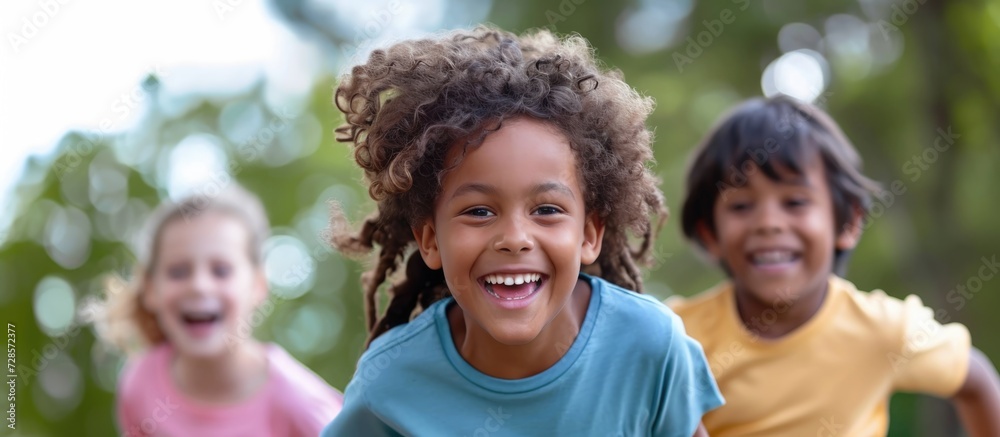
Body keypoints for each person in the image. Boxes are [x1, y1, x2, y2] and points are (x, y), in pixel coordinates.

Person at [321, 26, 723, 436]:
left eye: (547, 209)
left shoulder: (650, 346)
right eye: (478, 211)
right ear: (430, 240)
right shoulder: (389, 383)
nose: (515, 238)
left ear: (589, 234)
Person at [668, 95, 1000, 436]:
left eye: (795, 202)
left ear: (847, 223)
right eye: (741, 206)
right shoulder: (674, 338)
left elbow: (978, 383)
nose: (768, 222)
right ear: (710, 233)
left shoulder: (884, 330)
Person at [93, 185, 343, 436]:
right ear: (150, 289)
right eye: (178, 271)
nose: (199, 286)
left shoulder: (300, 405)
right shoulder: (141, 384)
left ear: (257, 286)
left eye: (221, 270)